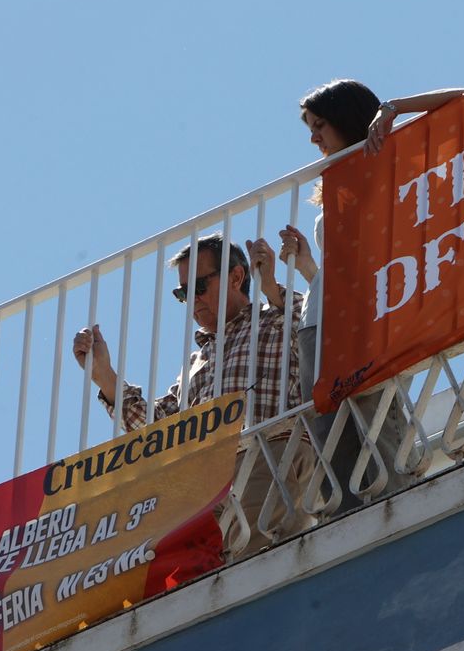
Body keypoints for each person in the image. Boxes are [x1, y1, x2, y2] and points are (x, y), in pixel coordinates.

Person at [280, 78, 464, 511]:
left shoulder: (391, 157)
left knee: (377, 418)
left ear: (348, 119)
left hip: (369, 313)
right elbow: (338, 269)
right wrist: (307, 267)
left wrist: (394, 107)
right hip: (317, 321)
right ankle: (346, 521)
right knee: (331, 432)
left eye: (319, 124)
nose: (312, 138)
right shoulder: (336, 179)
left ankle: (396, 512)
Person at [71, 234, 312, 551]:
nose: (193, 300)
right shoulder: (198, 362)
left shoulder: (274, 320)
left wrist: (270, 286)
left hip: (266, 454)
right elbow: (161, 428)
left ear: (236, 277)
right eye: (184, 293)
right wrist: (106, 378)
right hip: (207, 484)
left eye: (198, 287)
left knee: (257, 563)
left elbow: (310, 323)